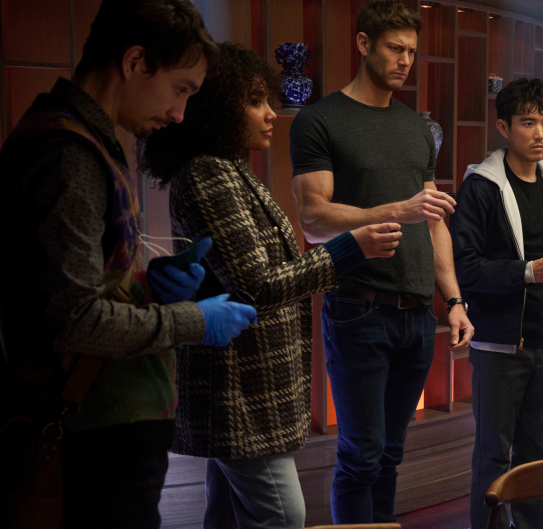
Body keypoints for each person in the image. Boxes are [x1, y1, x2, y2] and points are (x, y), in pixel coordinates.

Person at [0, 0, 256, 528]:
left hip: (101, 435)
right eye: (180, 89)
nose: (179, 114)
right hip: (90, 440)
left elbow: (76, 287)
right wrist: (194, 320)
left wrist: (149, 285)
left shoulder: (80, 140)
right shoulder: (67, 154)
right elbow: (75, 322)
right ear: (134, 61)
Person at [139, 42, 404, 529]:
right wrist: (349, 248)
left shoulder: (230, 169)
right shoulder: (210, 173)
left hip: (247, 381)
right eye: (256, 101)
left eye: (269, 100)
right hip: (239, 386)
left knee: (226, 516)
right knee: (283, 516)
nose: (271, 114)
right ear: (219, 109)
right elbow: (258, 286)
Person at [290, 0, 474, 524]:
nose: (405, 61)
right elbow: (313, 218)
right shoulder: (320, 119)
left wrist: (454, 300)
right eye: (395, 48)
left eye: (412, 51)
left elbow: (433, 221)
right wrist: (397, 209)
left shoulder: (418, 128)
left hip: (417, 314)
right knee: (361, 456)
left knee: (391, 455)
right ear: (363, 44)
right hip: (358, 309)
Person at [450, 78, 543, 529]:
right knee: (493, 456)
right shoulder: (481, 186)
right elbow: (466, 266)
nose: (539, 133)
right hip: (499, 344)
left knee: (538, 458)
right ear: (503, 127)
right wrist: (528, 271)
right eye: (528, 123)